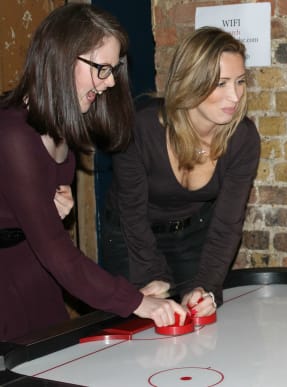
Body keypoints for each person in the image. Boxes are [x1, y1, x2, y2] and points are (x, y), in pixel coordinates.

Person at [0, 3, 187, 342]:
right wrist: (137, 301)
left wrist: (51, 202)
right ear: (62, 58)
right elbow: (56, 249)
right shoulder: (13, 134)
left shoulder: (61, 123)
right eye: (102, 68)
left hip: (32, 269)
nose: (110, 82)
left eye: (113, 70)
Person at [101, 26, 260, 315]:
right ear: (190, 82)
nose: (235, 97)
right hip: (130, 236)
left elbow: (227, 225)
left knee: (196, 315)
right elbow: (132, 214)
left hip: (191, 235)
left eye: (240, 82)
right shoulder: (140, 128)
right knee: (140, 330)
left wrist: (206, 286)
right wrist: (153, 275)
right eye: (221, 83)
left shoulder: (243, 139)